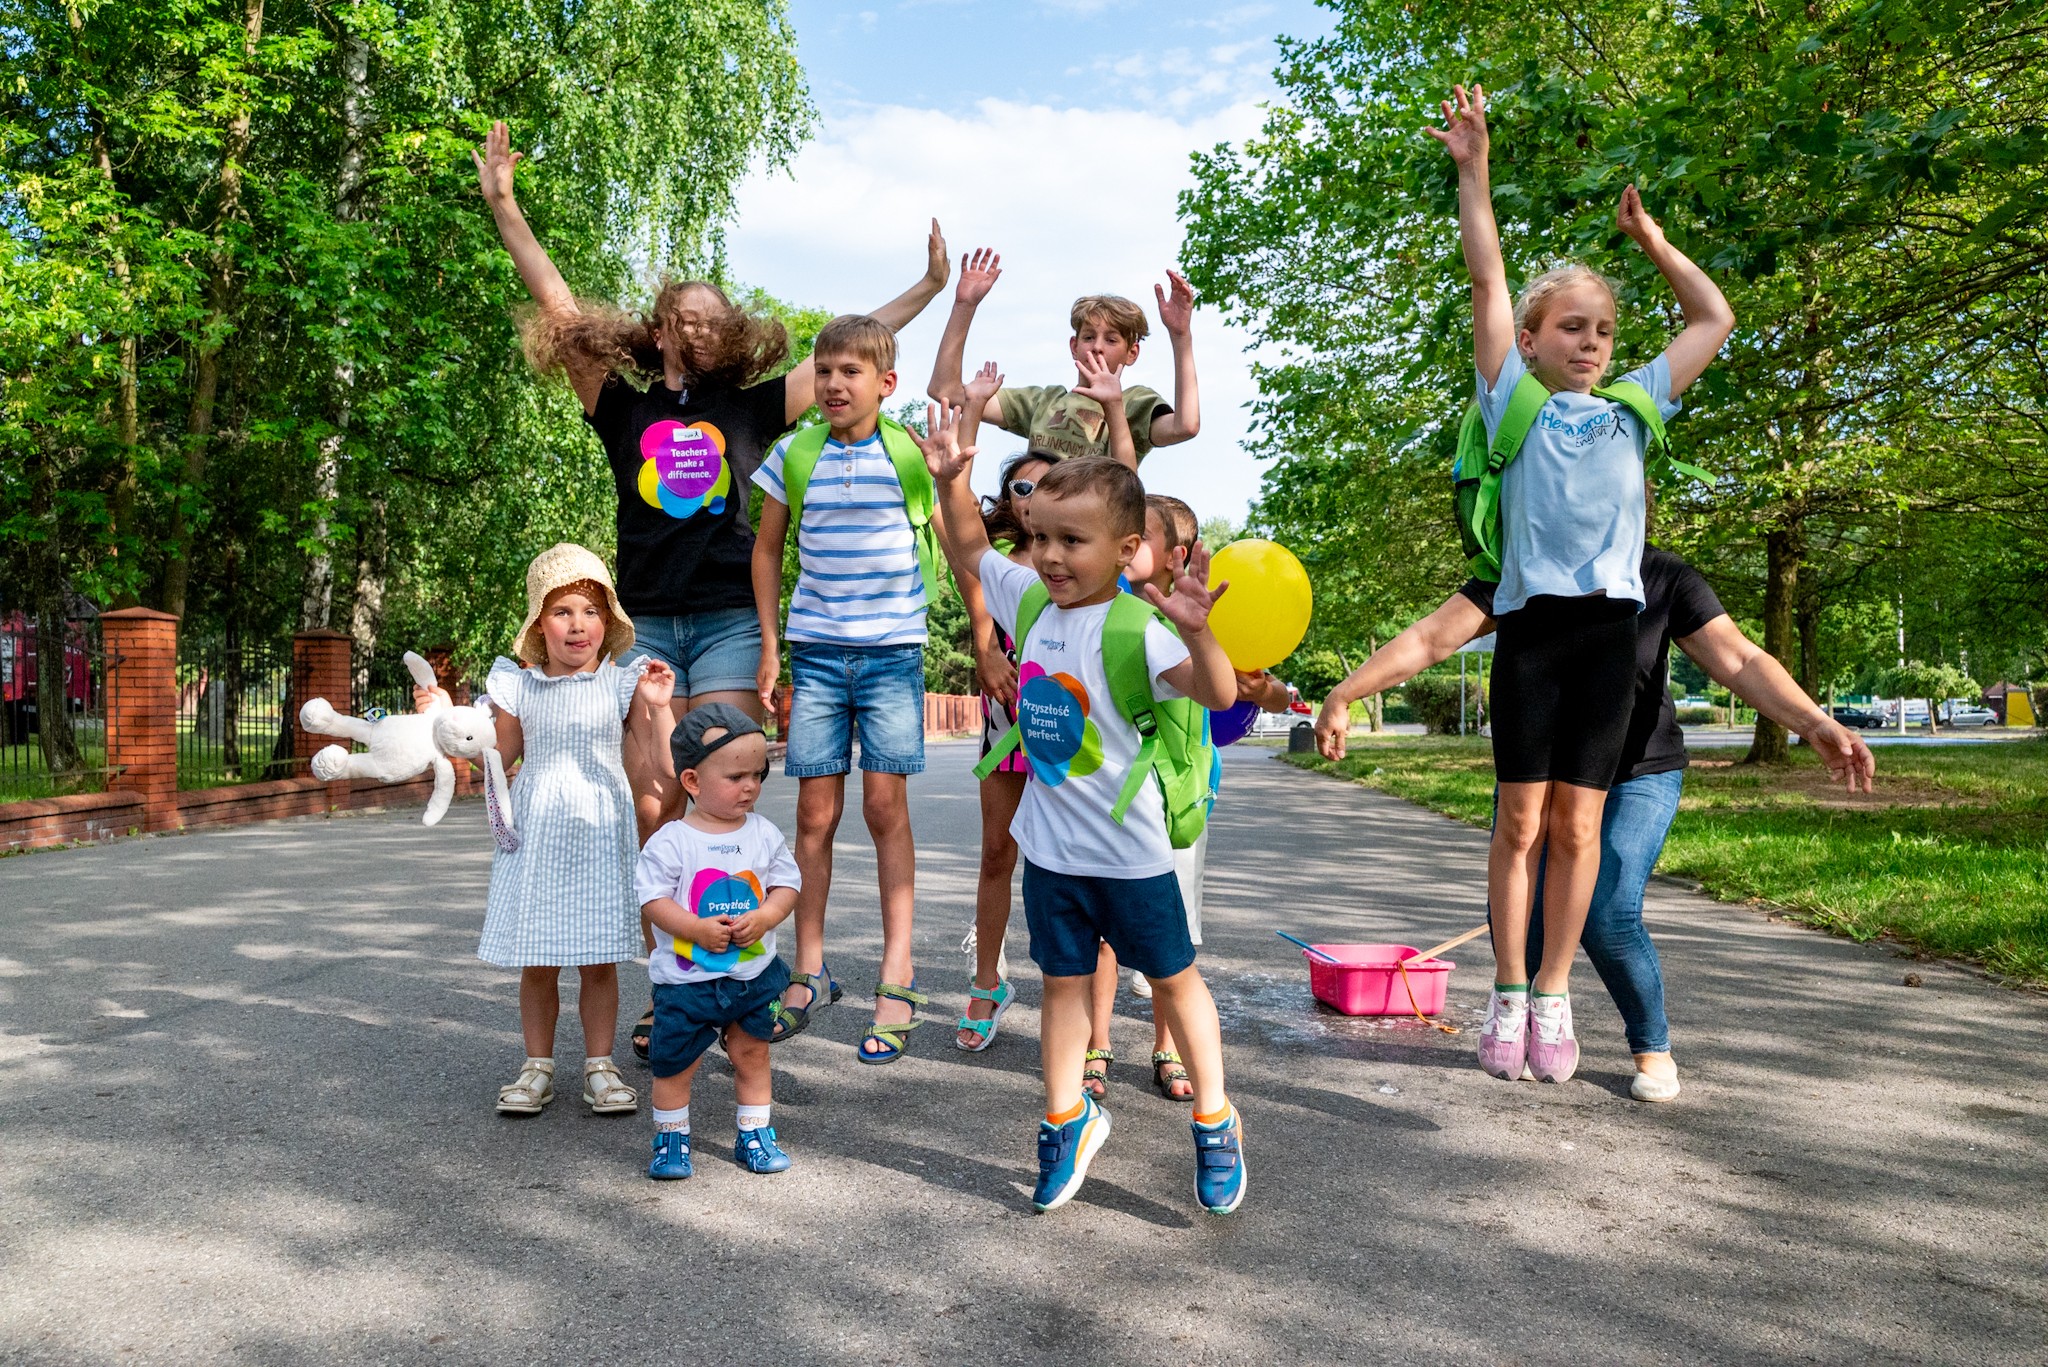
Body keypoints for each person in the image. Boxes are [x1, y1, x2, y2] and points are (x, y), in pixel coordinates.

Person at [473, 121, 952, 1060]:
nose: (692, 324)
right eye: (677, 313)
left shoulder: (752, 406)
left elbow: (856, 351)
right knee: (655, 800)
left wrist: (932, 287)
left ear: (728, 330)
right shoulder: (622, 404)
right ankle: (677, 981)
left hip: (732, 619)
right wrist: (504, 207)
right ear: (656, 329)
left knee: (722, 783)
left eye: (709, 313)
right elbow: (559, 303)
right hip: (648, 619)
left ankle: (744, 975)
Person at [1313, 540, 1876, 1100]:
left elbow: (1740, 658)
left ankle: (1652, 1049)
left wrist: (1814, 722)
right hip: (1541, 775)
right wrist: (1347, 692)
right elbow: (1430, 636)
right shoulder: (1522, 565)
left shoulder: (1662, 576)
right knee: (1519, 910)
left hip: (1638, 771)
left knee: (1606, 908)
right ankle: (1526, 1016)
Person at [1429, 82, 1736, 1083]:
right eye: (1569, 326)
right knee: (1517, 822)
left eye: (1601, 328)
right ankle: (1507, 987)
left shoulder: (1633, 407)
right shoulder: (1512, 402)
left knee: (1575, 825)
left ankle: (1554, 996)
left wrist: (1648, 241)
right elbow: (1485, 281)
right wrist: (1473, 173)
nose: (1590, 341)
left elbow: (1711, 315)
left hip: (1608, 634)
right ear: (1528, 342)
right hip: (1530, 634)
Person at [918, 403, 1248, 1217]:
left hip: (1132, 860)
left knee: (1175, 982)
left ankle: (1215, 1117)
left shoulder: (1142, 627)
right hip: (1053, 855)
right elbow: (967, 543)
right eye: (1041, 537)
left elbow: (1219, 693)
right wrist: (953, 480)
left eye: (1074, 541)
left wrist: (1203, 635)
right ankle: (1066, 1117)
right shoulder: (1029, 600)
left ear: (1127, 550)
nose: (1052, 556)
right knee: (1061, 985)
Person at [751, 315, 940, 1063]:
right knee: (814, 814)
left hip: (894, 652)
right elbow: (767, 550)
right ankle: (809, 968)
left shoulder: (909, 456)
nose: (832, 383)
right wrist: (771, 644)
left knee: (884, 805)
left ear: (885, 385)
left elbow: (952, 538)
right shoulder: (793, 453)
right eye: (824, 370)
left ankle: (898, 974)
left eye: (850, 372)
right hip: (818, 654)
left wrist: (987, 638)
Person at [444, 544, 673, 1118]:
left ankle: (600, 1066)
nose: (578, 625)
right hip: (540, 826)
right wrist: (451, 728)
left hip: (600, 827)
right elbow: (497, 755)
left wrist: (660, 707)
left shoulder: (623, 684)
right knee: (538, 958)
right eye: (563, 611)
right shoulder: (517, 685)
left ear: (608, 623)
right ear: (538, 624)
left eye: (591, 612)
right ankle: (537, 1067)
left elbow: (663, 763)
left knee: (599, 959)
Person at [1083, 497, 1291, 1104]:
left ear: (1175, 554)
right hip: (1110, 793)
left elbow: (1268, 692)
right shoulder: (1105, 610)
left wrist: (1260, 687)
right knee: (1100, 932)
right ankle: (1098, 1042)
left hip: (1180, 799)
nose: (1123, 540)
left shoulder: (1202, 615)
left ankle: (1165, 1046)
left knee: (1169, 930)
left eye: (1139, 534)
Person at [634, 705, 800, 1179]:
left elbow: (788, 885)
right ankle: (671, 1138)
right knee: (675, 1062)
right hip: (687, 985)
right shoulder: (671, 840)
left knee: (753, 1052)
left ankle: (755, 1133)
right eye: (735, 776)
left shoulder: (763, 833)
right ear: (691, 780)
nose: (750, 786)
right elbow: (652, 900)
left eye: (757, 774)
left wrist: (767, 916)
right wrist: (694, 929)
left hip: (751, 978)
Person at [951, 369, 1060, 1052]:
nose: (1033, 497)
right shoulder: (997, 557)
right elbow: (954, 512)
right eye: (1021, 485)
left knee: (1071, 865)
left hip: (1072, 730)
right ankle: (988, 980)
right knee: (999, 852)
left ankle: (1081, 1008)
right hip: (1005, 721)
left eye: (1049, 485)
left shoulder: (1083, 557)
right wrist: (987, 650)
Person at [926, 248, 1201, 467]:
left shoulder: (1135, 403)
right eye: (1089, 337)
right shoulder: (1044, 402)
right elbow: (945, 391)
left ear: (1132, 353)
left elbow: (1185, 426)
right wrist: (964, 306)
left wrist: (1180, 336)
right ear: (1074, 346)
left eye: (1112, 339)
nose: (1097, 347)